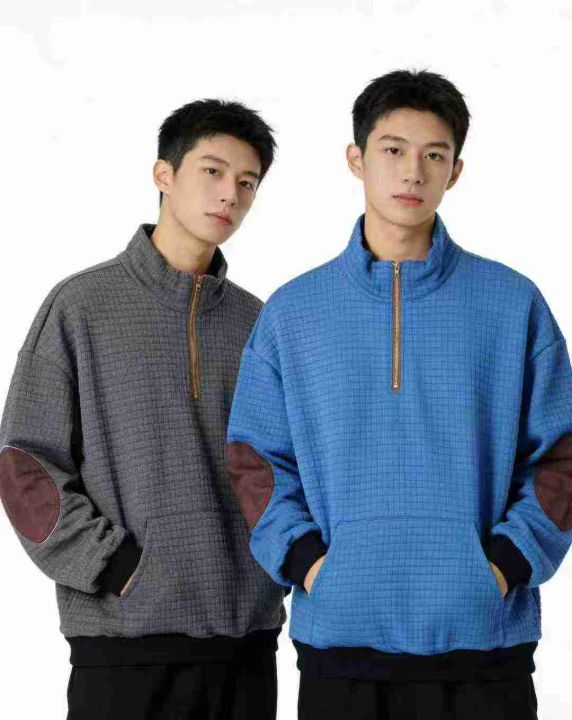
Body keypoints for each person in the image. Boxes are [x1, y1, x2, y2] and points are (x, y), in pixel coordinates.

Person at [225, 69, 572, 719]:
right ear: (356, 159)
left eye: (434, 155)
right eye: (393, 150)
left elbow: (561, 457)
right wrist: (309, 564)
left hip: (483, 645)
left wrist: (503, 565)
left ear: (455, 172)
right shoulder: (293, 313)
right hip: (340, 647)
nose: (413, 172)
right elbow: (254, 458)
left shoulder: (513, 304)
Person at [0, 98, 286, 719]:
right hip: (123, 646)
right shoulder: (81, 305)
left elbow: (282, 467)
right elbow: (25, 468)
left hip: (246, 641)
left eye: (247, 182)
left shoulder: (257, 322)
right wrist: (115, 567)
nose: (230, 195)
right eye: (212, 171)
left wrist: (273, 571)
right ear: (164, 174)